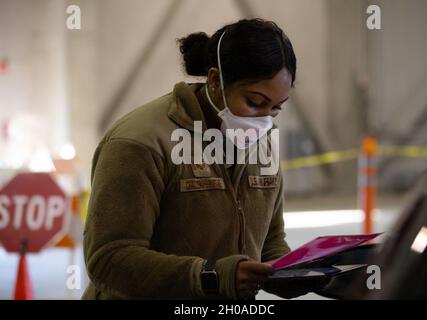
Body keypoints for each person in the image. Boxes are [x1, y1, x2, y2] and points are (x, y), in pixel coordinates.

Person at [82, 18, 304, 300]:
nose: (264, 121)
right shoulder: (141, 142)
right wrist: (211, 276)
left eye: (275, 108)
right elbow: (109, 259)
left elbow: (271, 241)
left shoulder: (263, 142)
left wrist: (290, 273)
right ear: (214, 81)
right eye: (254, 102)